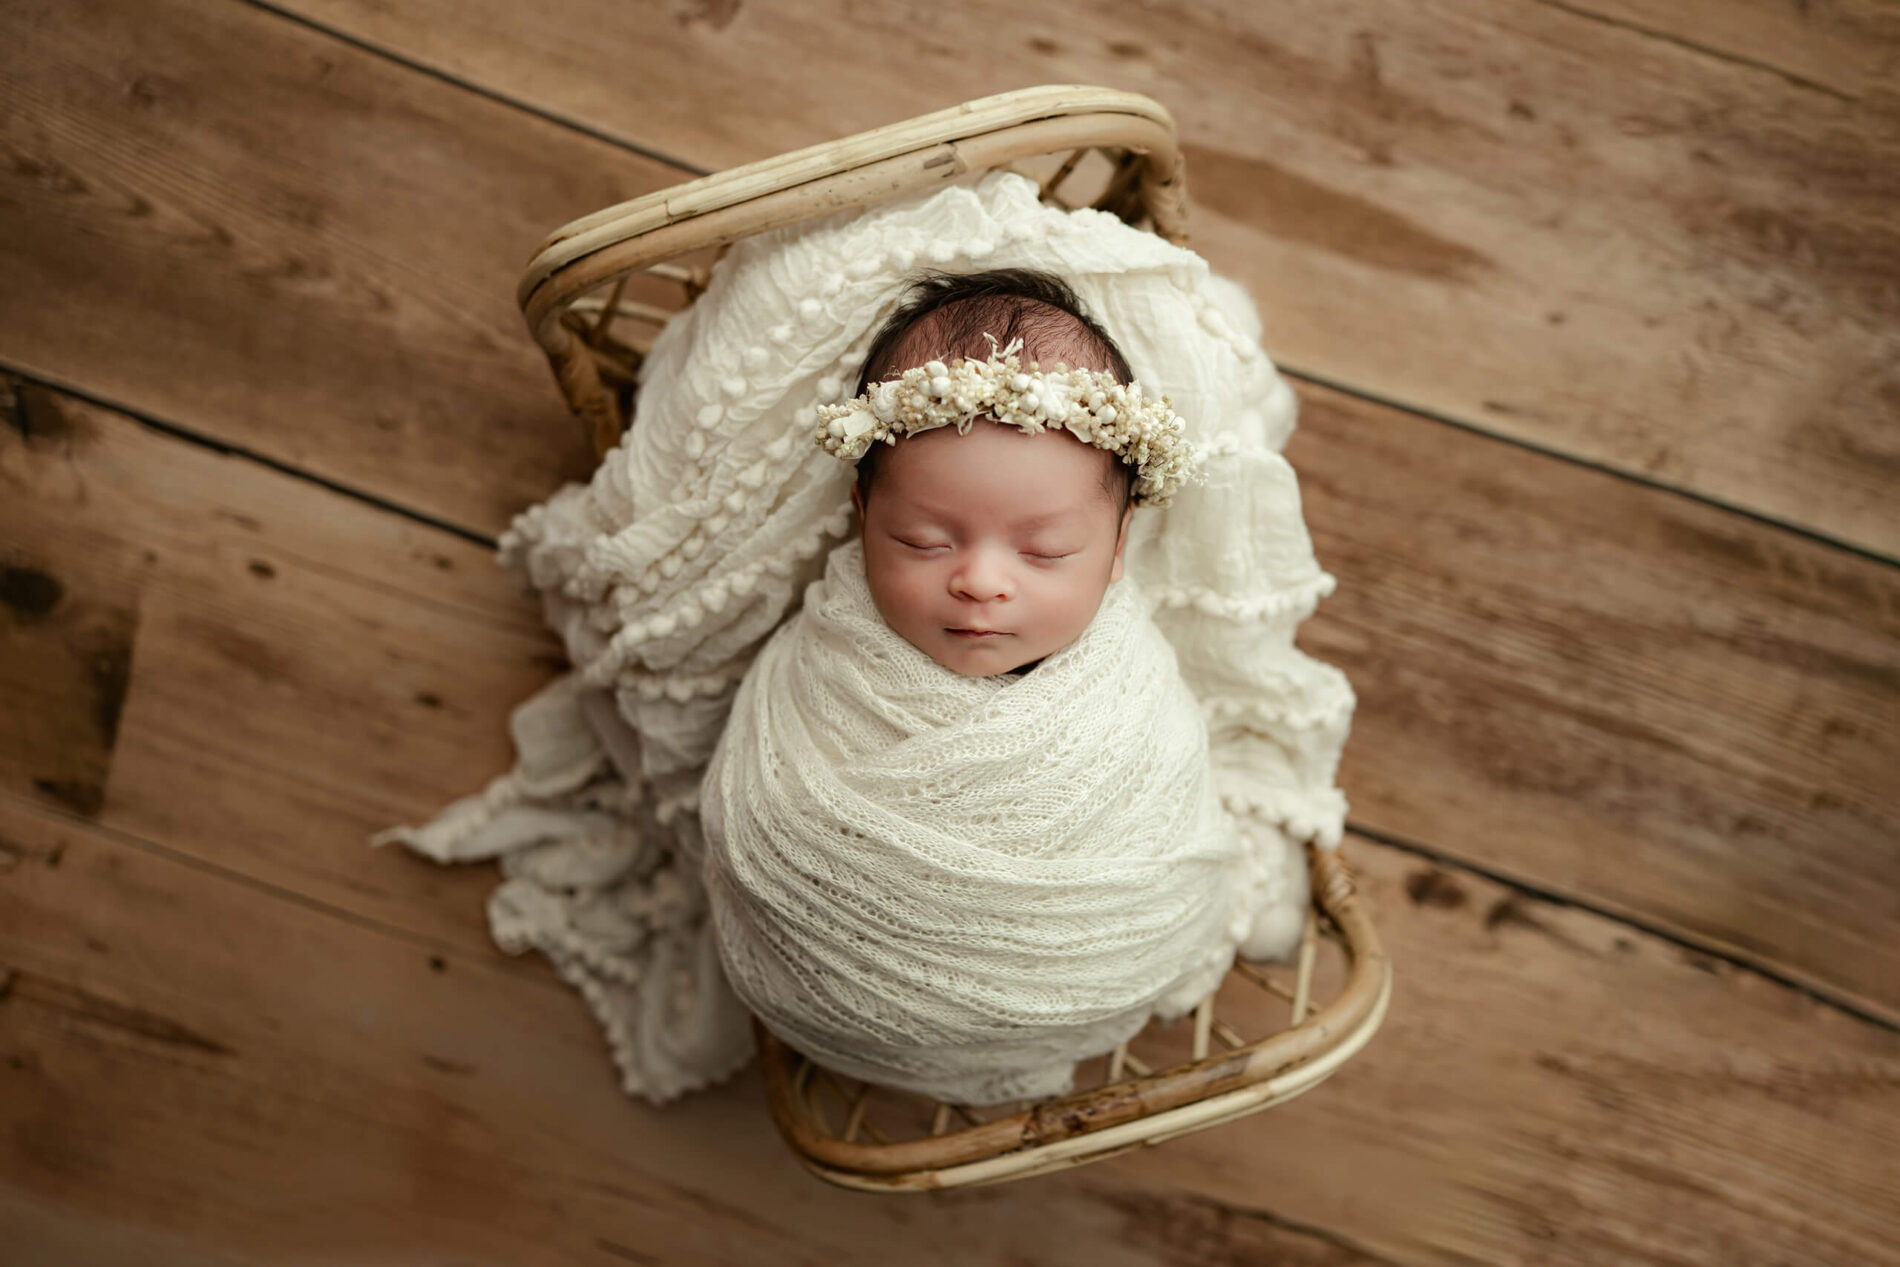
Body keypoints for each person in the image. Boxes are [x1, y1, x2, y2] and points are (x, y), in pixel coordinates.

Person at [699, 269, 1301, 1106]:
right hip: (834, 987)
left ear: (1120, 544)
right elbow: (760, 808)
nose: (981, 581)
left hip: (1100, 967)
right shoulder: (827, 664)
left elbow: (1166, 793)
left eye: (1046, 551)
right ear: (860, 514)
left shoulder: (1123, 685)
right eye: (921, 539)